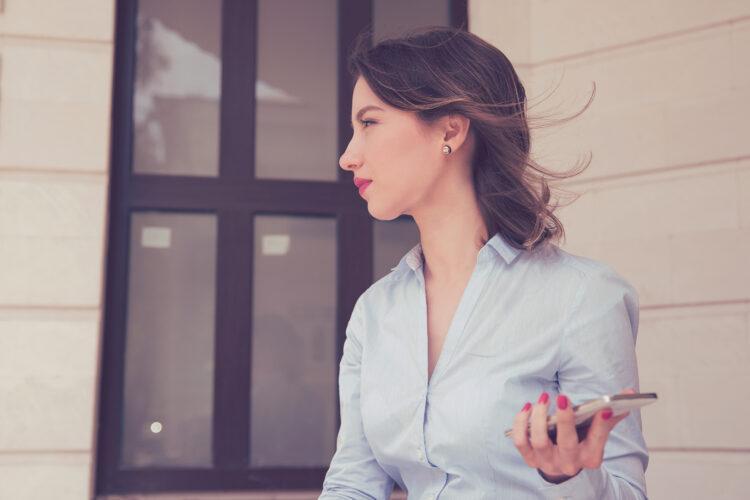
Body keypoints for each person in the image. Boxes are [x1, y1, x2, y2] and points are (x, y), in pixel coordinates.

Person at [319, 26, 648, 500]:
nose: (348, 156)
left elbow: (627, 492)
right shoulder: (375, 313)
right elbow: (353, 483)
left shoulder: (583, 296)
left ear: (450, 130)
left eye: (369, 123)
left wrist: (569, 475)